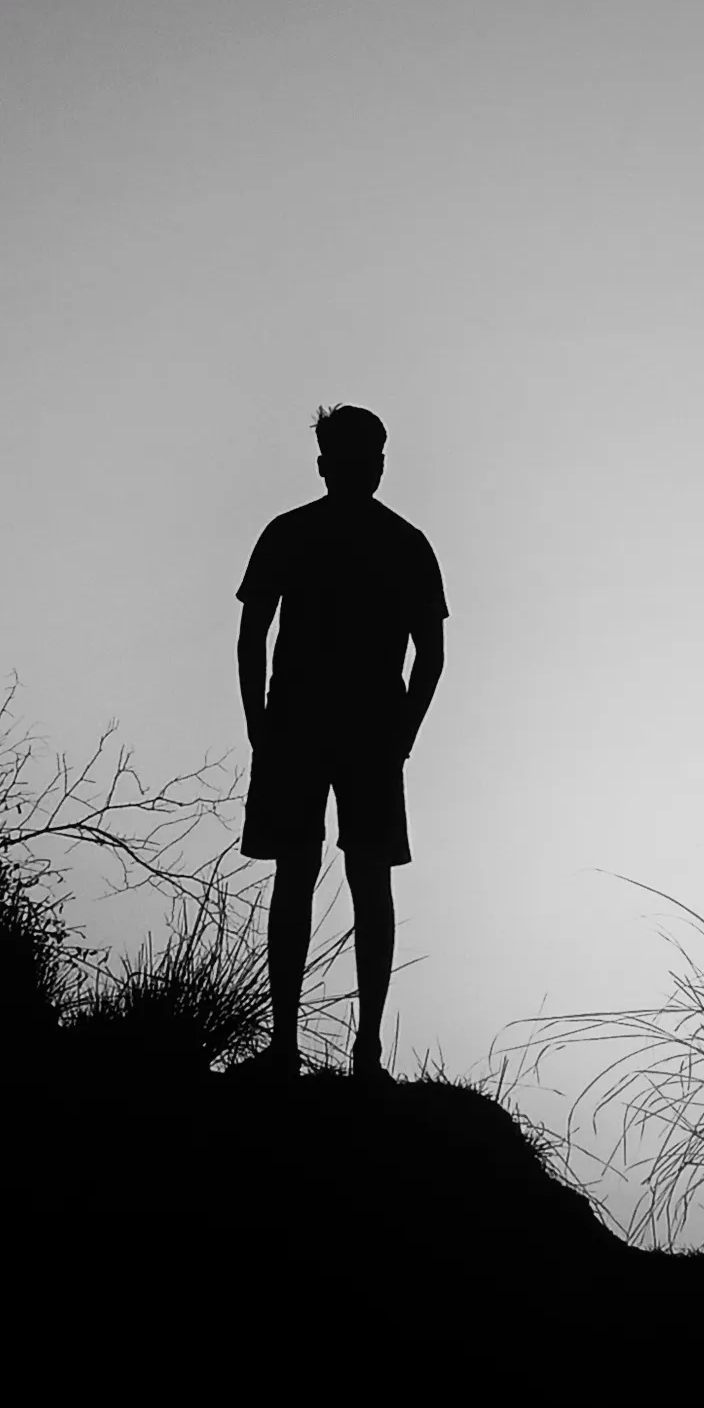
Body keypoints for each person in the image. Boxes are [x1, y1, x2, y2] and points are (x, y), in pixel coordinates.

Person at [236, 401, 448, 1078]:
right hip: (328, 730)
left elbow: (252, 636)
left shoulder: (303, 534)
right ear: (333, 464)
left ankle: (321, 1048)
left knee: (323, 876)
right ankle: (337, 1050)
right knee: (347, 877)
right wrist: (401, 731)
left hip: (322, 729)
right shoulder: (395, 541)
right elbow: (432, 652)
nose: (363, 469)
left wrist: (260, 726)